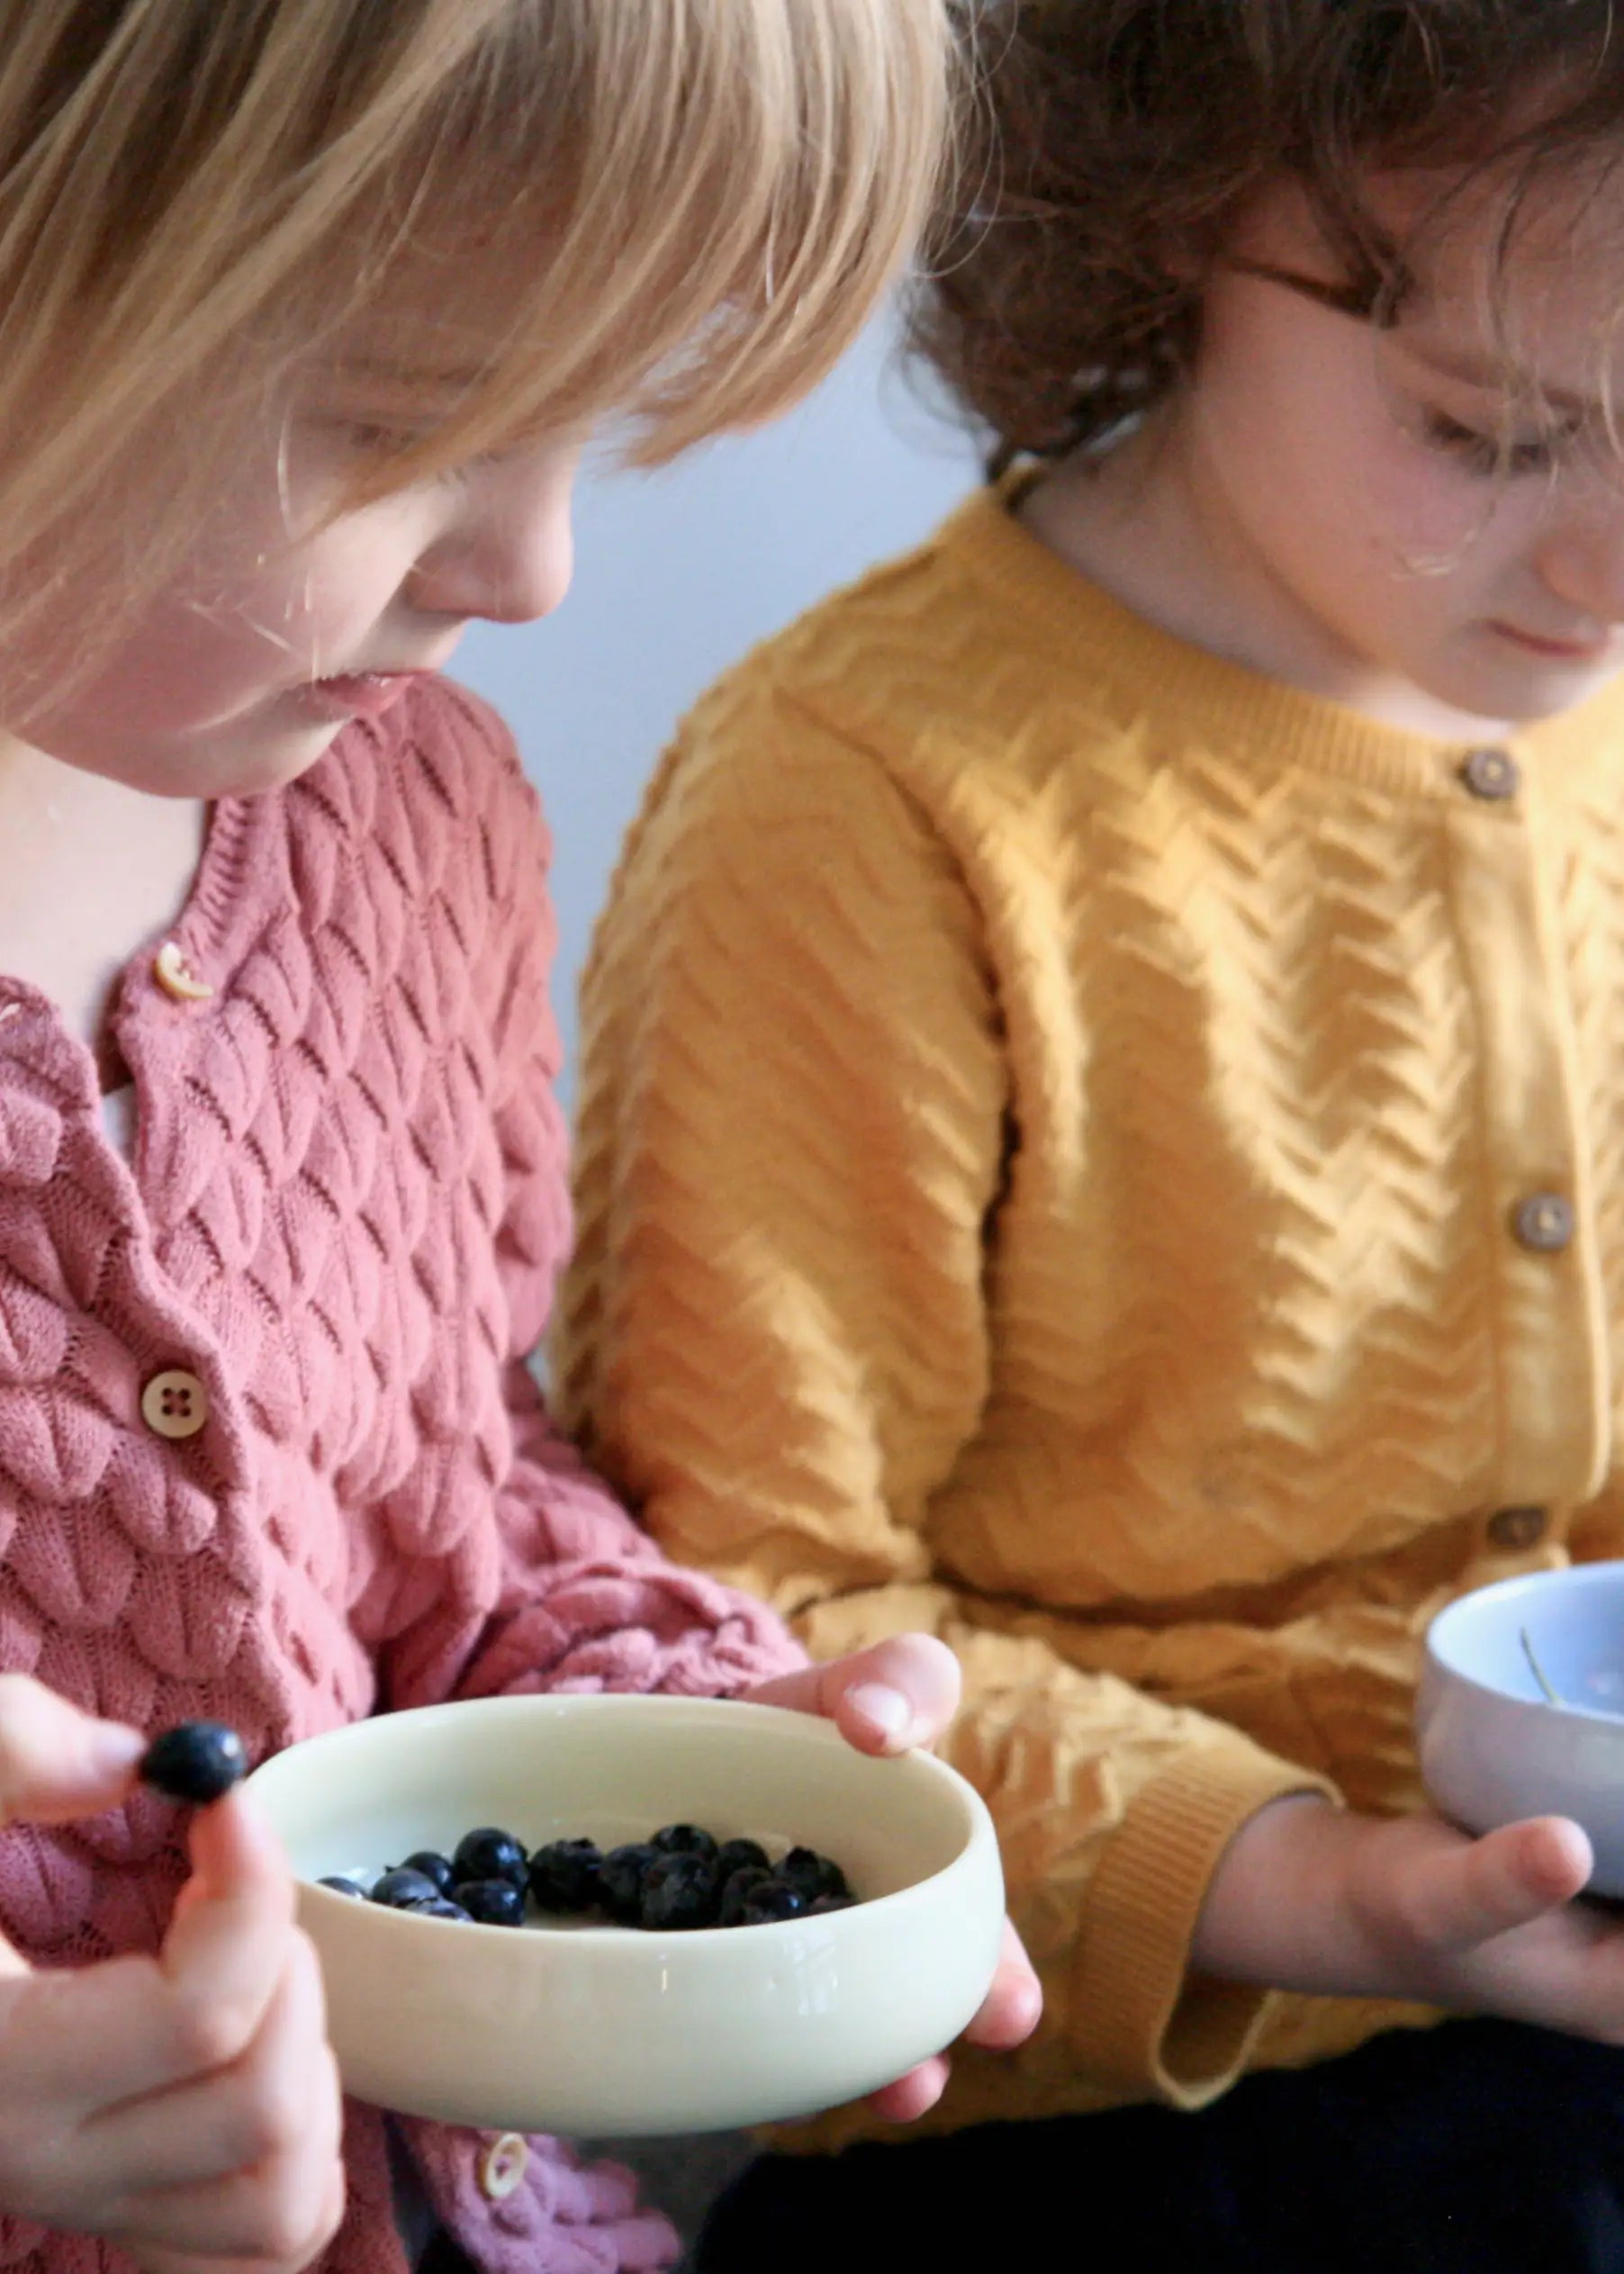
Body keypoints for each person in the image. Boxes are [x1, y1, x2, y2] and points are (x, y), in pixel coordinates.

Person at [555, 3, 1624, 2267]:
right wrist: (1297, 1882)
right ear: (1162, 220)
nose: (1604, 569)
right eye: (1490, 431)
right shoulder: (858, 796)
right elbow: (754, 1615)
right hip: (1050, 2103)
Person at [0, 5, 1041, 2271]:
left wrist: (682, 1741)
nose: (535, 563)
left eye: (593, 424)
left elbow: (442, 1513)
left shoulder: (409, 826)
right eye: (407, 421)